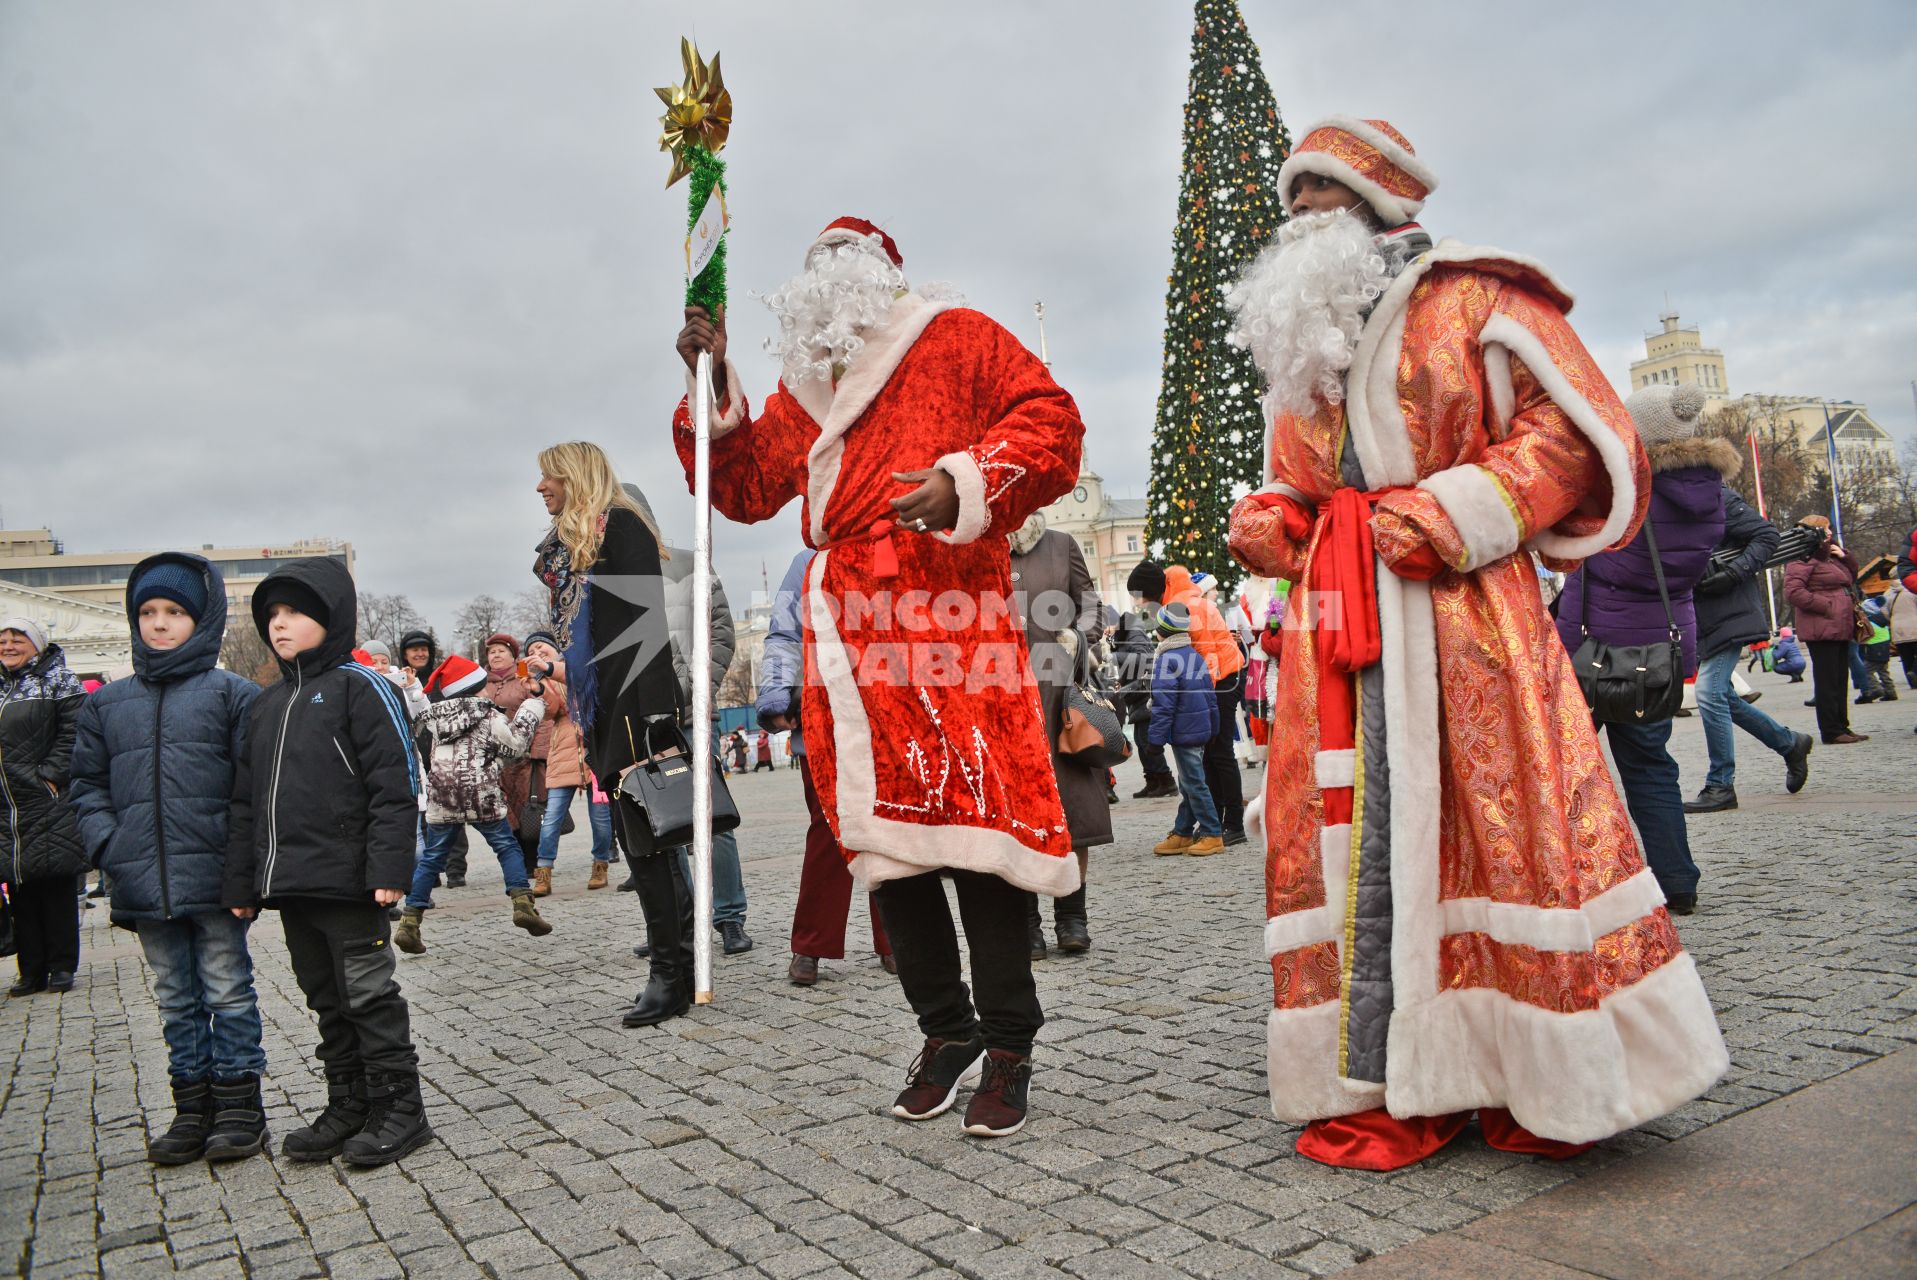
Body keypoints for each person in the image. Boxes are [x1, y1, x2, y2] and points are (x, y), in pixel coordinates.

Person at [1224, 116, 1725, 1168]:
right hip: (1340, 628)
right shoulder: (1303, 338)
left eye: (1319, 196)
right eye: (1294, 200)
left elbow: (1574, 433)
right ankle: (1382, 1074)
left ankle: (1524, 1066)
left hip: (1463, 612)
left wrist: (1459, 508)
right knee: (1349, 842)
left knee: (1500, 823)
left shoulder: (1480, 299)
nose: (1300, 216)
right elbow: (1301, 476)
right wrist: (1276, 513)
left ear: (1374, 207)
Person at [672, 216, 1082, 1136]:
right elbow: (738, 490)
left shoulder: (958, 335)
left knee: (977, 829)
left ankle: (1009, 1043)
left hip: (946, 606)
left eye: (845, 265)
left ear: (886, 275)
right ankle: (945, 1029)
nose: (829, 280)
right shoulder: (805, 389)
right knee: (883, 845)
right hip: (845, 639)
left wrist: (964, 479)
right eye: (815, 267)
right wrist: (710, 385)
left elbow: (1053, 425)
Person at [222, 558, 430, 1166]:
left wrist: (392, 869)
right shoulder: (265, 705)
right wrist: (244, 880)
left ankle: (400, 1107)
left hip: (351, 884)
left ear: (330, 618)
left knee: (367, 994)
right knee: (325, 998)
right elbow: (245, 801)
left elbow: (395, 783)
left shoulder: (360, 687)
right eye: (272, 616)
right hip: (293, 885)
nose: (280, 625)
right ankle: (349, 1101)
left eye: (295, 613)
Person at [68, 554, 269, 1163]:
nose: (159, 623)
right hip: (143, 879)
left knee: (227, 990)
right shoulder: (107, 704)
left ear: (200, 619)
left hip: (214, 879)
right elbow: (87, 785)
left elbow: (251, 788)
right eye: (148, 612)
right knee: (175, 998)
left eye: (174, 612)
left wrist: (242, 869)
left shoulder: (232, 695)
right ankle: (192, 1106)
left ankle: (239, 1106)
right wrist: (111, 846)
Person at [1555, 384, 1734, 911]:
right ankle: (1678, 881)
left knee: (1566, 767)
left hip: (1595, 650)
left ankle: (1573, 879)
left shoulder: (1631, 492)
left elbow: (1596, 555)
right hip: (1659, 652)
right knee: (1652, 766)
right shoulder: (1708, 493)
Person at [533, 442, 687, 1027]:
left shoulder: (619, 527)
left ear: (574, 475)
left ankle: (670, 973)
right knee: (641, 843)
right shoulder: (577, 545)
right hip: (600, 706)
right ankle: (677, 959)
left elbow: (645, 626)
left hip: (631, 708)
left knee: (649, 844)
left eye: (548, 476)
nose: (540, 487)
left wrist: (653, 719)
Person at [625, 484, 754, 957]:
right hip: (637, 721)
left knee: (710, 818)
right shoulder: (609, 578)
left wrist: (699, 689)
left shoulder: (688, 562)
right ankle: (679, 921)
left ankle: (728, 916)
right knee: (659, 822)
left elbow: (722, 632)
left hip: (690, 711)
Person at [760, 550, 894, 986]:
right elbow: (784, 635)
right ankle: (811, 944)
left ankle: (896, 939)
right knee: (826, 830)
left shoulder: (892, 548)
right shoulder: (806, 562)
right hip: (822, 717)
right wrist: (778, 693)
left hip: (888, 714)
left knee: (891, 829)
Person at [393, 654, 552, 952]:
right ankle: (523, 906)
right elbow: (515, 745)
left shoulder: (436, 719)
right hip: (482, 794)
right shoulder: (488, 716)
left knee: (431, 858)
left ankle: (410, 921)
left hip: (443, 796)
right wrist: (532, 706)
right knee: (506, 847)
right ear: (479, 689)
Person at [1009, 514, 1111, 957]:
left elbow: (1090, 607)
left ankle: (1072, 916)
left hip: (1059, 700)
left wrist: (1075, 638)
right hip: (1001, 701)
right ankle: (1025, 923)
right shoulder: (980, 546)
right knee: (1014, 813)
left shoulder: (1060, 543)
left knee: (1074, 809)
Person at [1686, 485, 1814, 813]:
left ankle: (1720, 784)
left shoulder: (1714, 495)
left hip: (1731, 610)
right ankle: (1790, 743)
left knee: (1709, 693)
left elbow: (1766, 535)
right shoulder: (1666, 503)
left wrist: (1732, 573)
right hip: (1702, 616)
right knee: (1723, 696)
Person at [0, 616, 87, 998]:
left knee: (55, 883)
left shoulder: (59, 680)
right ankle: (30, 969)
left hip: (45, 799)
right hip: (7, 806)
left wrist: (50, 775)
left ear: (36, 643)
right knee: (20, 888)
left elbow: (76, 731)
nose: (8, 646)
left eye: (17, 639)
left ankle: (62, 965)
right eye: (2, 641)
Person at [524, 632, 614, 891]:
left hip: (595, 751)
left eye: (541, 648)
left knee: (600, 817)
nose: (537, 654)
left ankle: (600, 864)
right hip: (562, 753)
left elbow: (583, 681)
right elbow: (554, 710)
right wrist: (539, 689)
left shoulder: (577, 664)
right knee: (551, 817)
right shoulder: (542, 680)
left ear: (555, 650)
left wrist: (550, 669)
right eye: (532, 651)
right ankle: (544, 870)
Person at [1163, 565, 1246, 844]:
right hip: (1219, 678)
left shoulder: (1192, 606)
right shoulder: (1184, 604)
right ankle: (1218, 819)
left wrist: (1203, 694)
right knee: (1211, 752)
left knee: (1220, 752)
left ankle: (1234, 824)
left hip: (1223, 679)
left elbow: (1207, 652)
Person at [1147, 604, 1223, 856]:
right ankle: (1182, 831)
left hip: (1184, 731)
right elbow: (1210, 695)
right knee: (1189, 782)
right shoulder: (1193, 654)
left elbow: (1163, 704)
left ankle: (1212, 833)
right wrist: (1214, 727)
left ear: (1162, 632)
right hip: (1199, 729)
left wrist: (1155, 740)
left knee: (1194, 783)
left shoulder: (1166, 659)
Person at [1784, 517, 1867, 745]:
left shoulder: (1829, 556)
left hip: (1840, 626)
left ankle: (1842, 726)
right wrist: (1826, 606)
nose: (1831, 532)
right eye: (1827, 528)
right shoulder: (1803, 557)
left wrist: (1845, 556)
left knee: (1840, 679)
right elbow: (1793, 592)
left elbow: (1851, 578)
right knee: (1827, 681)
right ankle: (1831, 730)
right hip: (1822, 627)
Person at [478, 632, 547, 874]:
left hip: (524, 759)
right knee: (504, 813)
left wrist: (537, 752)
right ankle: (515, 863)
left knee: (528, 809)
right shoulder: (481, 684)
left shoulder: (523, 680)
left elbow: (542, 715)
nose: (496, 655)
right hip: (495, 762)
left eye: (501, 651)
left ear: (512, 655)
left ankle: (533, 863)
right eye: (492, 651)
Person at [1115, 562, 1177, 798]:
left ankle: (1165, 781)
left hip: (1143, 695)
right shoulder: (1126, 632)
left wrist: (1116, 658)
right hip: (1136, 694)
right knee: (1143, 743)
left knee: (1147, 741)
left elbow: (1143, 658)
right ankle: (1153, 781)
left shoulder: (1133, 630)